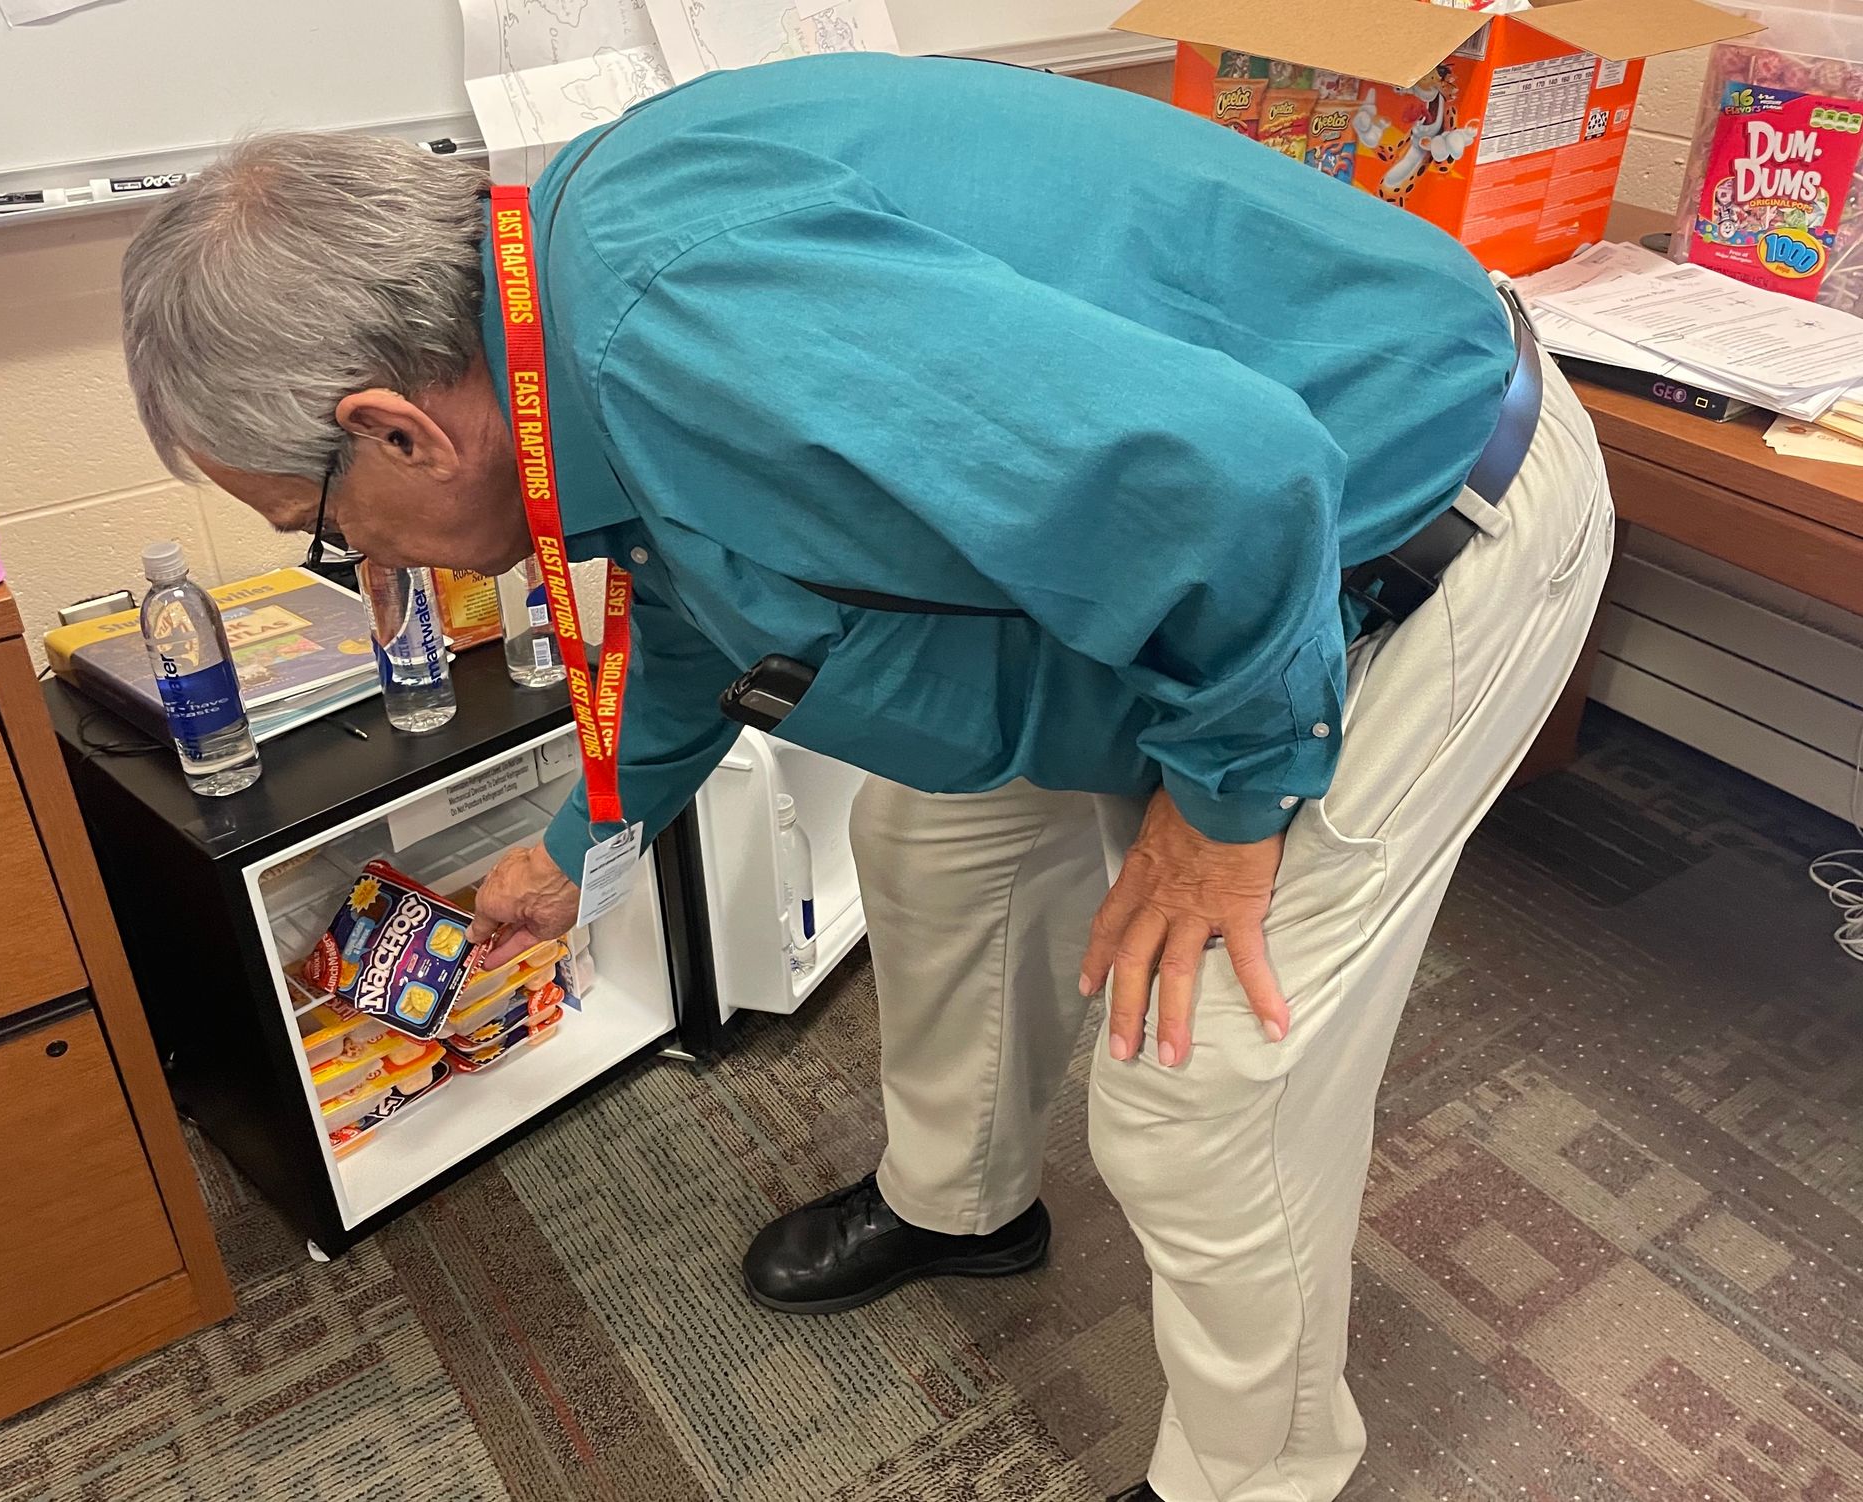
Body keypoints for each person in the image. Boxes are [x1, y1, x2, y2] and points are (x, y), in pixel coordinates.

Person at [119, 53, 1613, 1502]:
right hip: (1207, 562)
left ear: (394, 426)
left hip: (1411, 536)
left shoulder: (681, 321)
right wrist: (588, 835)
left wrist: (1223, 815)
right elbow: (704, 592)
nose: (359, 562)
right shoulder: (560, 305)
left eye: (319, 522)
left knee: (1200, 1090)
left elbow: (1237, 480)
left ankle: (1258, 1474)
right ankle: (961, 1205)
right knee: (932, 848)